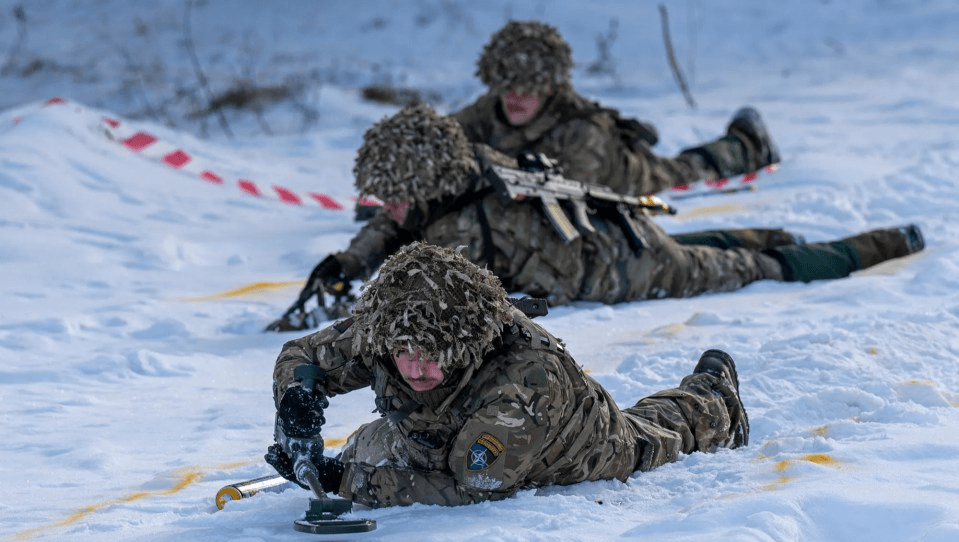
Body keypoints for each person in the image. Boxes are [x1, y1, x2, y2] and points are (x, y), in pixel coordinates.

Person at [266, 103, 923, 332]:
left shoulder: (459, 231)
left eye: (398, 194)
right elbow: (397, 222)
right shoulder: (468, 167)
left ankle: (878, 244)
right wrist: (349, 260)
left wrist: (358, 309)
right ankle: (783, 235)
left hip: (621, 268)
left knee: (753, 268)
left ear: (427, 182)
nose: (391, 207)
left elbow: (427, 301)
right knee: (709, 243)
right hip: (607, 229)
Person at [265, 242, 750, 507]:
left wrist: (344, 481)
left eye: (431, 354)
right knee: (372, 444)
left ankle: (713, 395)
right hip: (432, 436)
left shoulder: (524, 381)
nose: (413, 367)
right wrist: (298, 403)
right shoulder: (393, 325)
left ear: (464, 343)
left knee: (657, 434)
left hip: (573, 449)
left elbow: (471, 489)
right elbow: (303, 355)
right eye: (401, 353)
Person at [451, 20, 780, 198]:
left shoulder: (582, 130)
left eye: (527, 89)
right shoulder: (489, 109)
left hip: (629, 179)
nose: (515, 98)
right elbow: (444, 136)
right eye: (507, 87)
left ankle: (747, 144)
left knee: (686, 169)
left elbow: (563, 193)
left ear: (548, 88)